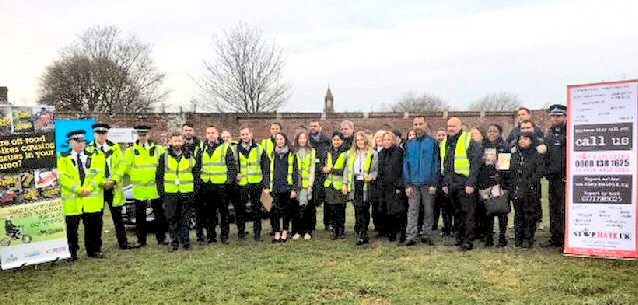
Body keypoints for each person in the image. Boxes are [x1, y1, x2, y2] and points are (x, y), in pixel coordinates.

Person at [58, 130, 106, 260]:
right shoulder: (62, 158)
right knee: (72, 229)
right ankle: (72, 252)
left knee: (93, 227)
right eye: (77, 142)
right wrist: (79, 190)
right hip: (73, 201)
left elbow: (99, 175)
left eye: (82, 142)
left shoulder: (94, 156)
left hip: (91, 200)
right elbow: (63, 178)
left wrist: (89, 188)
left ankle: (94, 250)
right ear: (71, 142)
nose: (80, 144)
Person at [86, 123, 134, 250]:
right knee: (97, 219)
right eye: (98, 133)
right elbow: (89, 170)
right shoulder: (88, 149)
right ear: (94, 134)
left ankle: (123, 243)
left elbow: (121, 165)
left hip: (114, 187)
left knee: (118, 217)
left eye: (103, 133)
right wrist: (102, 182)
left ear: (107, 134)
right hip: (98, 188)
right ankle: (97, 246)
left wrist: (114, 180)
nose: (101, 136)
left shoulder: (115, 148)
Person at [441, 117, 482, 251]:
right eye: (449, 126)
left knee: (468, 213)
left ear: (460, 126)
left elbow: (475, 163)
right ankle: (459, 237)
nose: (450, 128)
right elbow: (446, 164)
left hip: (465, 183)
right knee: (457, 212)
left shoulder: (468, 140)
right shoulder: (446, 142)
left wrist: (471, 183)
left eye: (453, 126)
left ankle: (468, 240)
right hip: (451, 183)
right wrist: (445, 183)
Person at [124, 125, 168, 247]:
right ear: (137, 135)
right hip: (139, 189)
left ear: (149, 135)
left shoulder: (159, 149)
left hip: (155, 188)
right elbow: (127, 167)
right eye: (140, 135)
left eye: (144, 135)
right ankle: (141, 240)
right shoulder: (130, 150)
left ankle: (161, 238)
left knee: (159, 215)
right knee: (140, 216)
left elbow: (164, 165)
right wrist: (138, 176)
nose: (142, 137)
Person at [194, 125, 237, 244]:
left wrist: (227, 182)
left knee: (224, 212)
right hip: (207, 185)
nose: (211, 135)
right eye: (208, 133)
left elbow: (232, 167)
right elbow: (197, 168)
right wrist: (199, 183)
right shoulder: (201, 149)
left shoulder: (225, 148)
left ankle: (224, 236)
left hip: (221, 186)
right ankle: (211, 236)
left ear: (217, 134)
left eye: (213, 132)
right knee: (209, 213)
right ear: (206, 135)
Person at [156, 132, 198, 251]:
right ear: (170, 142)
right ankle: (174, 242)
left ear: (183, 142)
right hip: (170, 193)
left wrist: (194, 192)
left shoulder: (190, 156)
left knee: (185, 219)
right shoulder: (164, 157)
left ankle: (186, 242)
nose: (177, 143)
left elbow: (196, 175)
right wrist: (162, 193)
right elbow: (159, 176)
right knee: (172, 218)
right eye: (175, 141)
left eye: (179, 141)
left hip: (187, 193)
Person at [403, 116, 440, 246]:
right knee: (412, 210)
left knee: (429, 210)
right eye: (415, 124)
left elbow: (436, 164)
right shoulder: (409, 144)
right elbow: (405, 165)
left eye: (420, 124)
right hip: (413, 183)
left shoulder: (433, 143)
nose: (417, 126)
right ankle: (411, 235)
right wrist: (407, 184)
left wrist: (434, 183)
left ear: (425, 124)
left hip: (428, 183)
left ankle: (426, 234)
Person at [510, 132, 546, 248]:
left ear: (531, 141)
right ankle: (518, 238)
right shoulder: (515, 154)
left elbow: (539, 171)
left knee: (529, 214)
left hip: (530, 189)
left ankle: (528, 238)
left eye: (525, 139)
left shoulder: (536, 155)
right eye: (520, 139)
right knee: (518, 214)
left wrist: (530, 182)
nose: (522, 141)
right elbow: (510, 170)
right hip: (516, 188)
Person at [342, 131, 378, 245]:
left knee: (364, 208)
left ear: (366, 140)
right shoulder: (351, 154)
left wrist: (372, 176)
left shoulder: (373, 153)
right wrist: (345, 183)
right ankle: (362, 232)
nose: (360, 142)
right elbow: (347, 170)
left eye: (362, 140)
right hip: (355, 183)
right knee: (358, 208)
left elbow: (376, 169)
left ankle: (364, 232)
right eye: (357, 140)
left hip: (367, 184)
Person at [477, 124, 510, 247]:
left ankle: (502, 236)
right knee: (488, 211)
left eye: (495, 131)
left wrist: (499, 179)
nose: (492, 133)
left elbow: (505, 167)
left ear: (499, 132)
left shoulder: (503, 147)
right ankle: (488, 236)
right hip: (485, 182)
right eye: (490, 131)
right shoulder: (484, 146)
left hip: (499, 183)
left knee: (501, 211)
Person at [236, 125, 270, 241]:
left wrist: (266, 185)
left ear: (251, 134)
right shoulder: (235, 149)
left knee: (257, 210)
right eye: (243, 134)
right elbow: (233, 165)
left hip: (257, 183)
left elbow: (266, 168)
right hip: (242, 184)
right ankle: (241, 233)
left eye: (247, 134)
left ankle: (257, 233)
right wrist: (236, 174)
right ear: (240, 136)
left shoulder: (259, 148)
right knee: (240, 209)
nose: (245, 136)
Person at [543, 104, 567, 249]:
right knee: (553, 208)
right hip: (552, 178)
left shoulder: (570, 133)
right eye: (553, 116)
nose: (555, 118)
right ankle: (555, 237)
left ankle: (565, 239)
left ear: (565, 116)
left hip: (565, 178)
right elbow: (546, 156)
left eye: (558, 116)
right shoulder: (550, 135)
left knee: (563, 209)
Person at [268, 132, 299, 243]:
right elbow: (268, 171)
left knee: (286, 212)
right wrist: (267, 187)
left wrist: (294, 189)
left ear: (285, 140)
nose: (279, 141)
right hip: (275, 187)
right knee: (275, 212)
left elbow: (296, 173)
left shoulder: (291, 155)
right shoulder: (271, 155)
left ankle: (285, 232)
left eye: (281, 139)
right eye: (277, 139)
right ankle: (277, 233)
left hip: (287, 187)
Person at [377, 131, 404, 242]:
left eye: (388, 139)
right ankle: (391, 233)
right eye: (384, 140)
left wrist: (400, 185)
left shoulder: (399, 152)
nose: (386, 142)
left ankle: (402, 233)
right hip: (385, 186)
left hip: (396, 186)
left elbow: (402, 169)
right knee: (389, 211)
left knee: (399, 212)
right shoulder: (382, 152)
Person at [323, 131, 348, 240]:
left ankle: (341, 230)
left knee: (341, 208)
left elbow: (346, 170)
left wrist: (331, 170)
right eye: (334, 140)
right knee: (331, 209)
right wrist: (322, 169)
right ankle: (333, 229)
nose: (336, 142)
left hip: (341, 185)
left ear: (342, 141)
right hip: (329, 185)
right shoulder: (327, 152)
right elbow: (321, 166)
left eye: (338, 140)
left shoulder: (346, 153)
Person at [308, 119, 331, 232]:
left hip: (324, 175)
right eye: (312, 126)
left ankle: (328, 223)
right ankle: (312, 224)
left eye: (315, 126)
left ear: (320, 127)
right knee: (311, 200)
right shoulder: (306, 140)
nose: (313, 128)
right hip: (311, 174)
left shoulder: (327, 141)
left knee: (327, 200)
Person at [293, 131, 316, 240]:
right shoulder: (293, 151)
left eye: (304, 138)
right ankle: (297, 231)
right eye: (300, 138)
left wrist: (310, 185)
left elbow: (312, 169)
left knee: (305, 207)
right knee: (296, 208)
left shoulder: (311, 151)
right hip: (295, 184)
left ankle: (307, 231)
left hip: (306, 185)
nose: (302, 140)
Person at [432, 127, 453, 236]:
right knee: (435, 204)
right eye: (439, 135)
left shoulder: (448, 146)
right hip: (436, 178)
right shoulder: (435, 147)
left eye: (442, 135)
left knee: (446, 206)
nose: (440, 137)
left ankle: (448, 227)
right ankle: (434, 224)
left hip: (446, 178)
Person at [470, 126, 488, 241]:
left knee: (484, 208)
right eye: (471, 134)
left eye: (475, 134)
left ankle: (484, 231)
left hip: (484, 181)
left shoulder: (486, 148)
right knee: (473, 208)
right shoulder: (469, 147)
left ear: (482, 135)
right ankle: (474, 230)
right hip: (472, 181)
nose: (472, 137)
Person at [371, 130, 387, 236]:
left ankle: (385, 228)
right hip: (374, 184)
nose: (380, 139)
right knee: (375, 207)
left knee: (384, 207)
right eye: (378, 137)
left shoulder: (388, 151)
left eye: (382, 137)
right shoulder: (372, 152)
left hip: (385, 183)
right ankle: (378, 227)